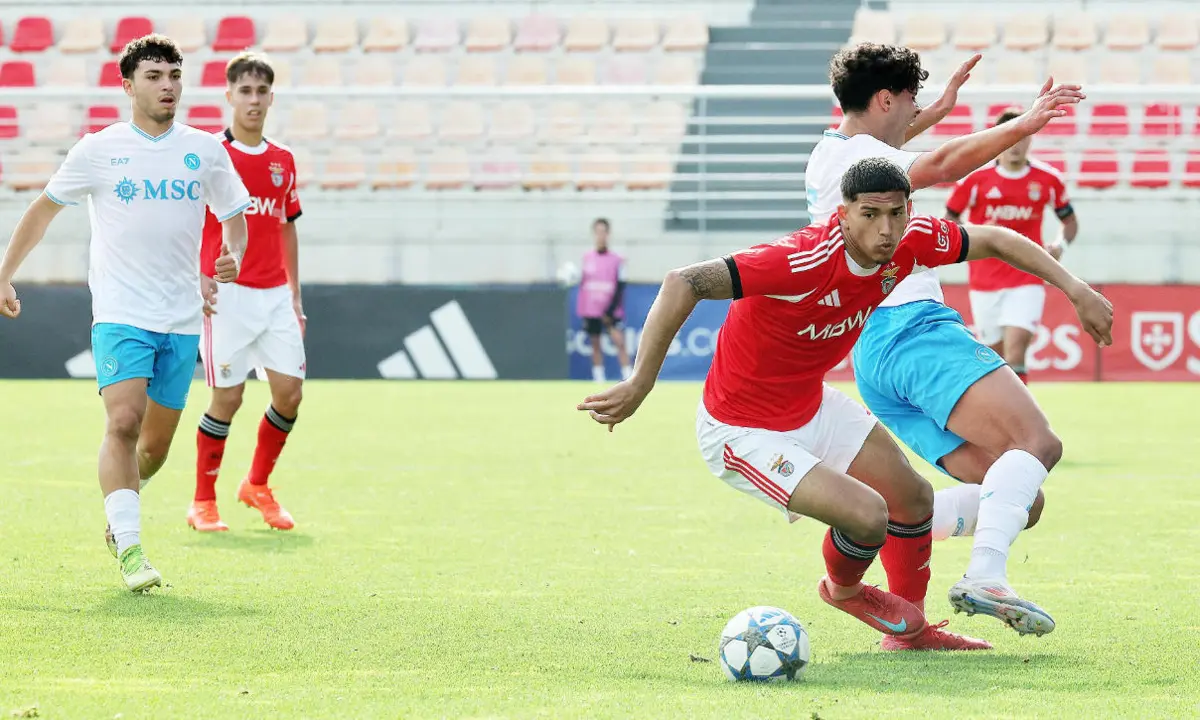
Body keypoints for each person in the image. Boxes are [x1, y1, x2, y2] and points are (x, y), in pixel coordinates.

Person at [579, 157, 1111, 650]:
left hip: (813, 407)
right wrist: (640, 382)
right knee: (868, 517)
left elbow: (994, 238)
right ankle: (843, 590)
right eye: (870, 214)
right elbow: (684, 281)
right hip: (743, 431)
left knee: (914, 501)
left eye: (896, 213)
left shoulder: (912, 239)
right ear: (843, 214)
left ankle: (910, 633)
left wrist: (1074, 287)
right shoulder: (798, 259)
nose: (885, 229)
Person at [805, 43, 1102, 635]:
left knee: (1017, 497)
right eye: (908, 104)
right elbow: (941, 165)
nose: (912, 118)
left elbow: (893, 137)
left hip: (871, 351)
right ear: (886, 99)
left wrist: (937, 108)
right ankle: (986, 575)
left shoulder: (831, 152)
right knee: (1037, 444)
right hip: (912, 327)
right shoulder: (869, 157)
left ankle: (865, 522)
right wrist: (1026, 122)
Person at [0, 35, 251, 592]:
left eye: (174, 75)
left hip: (184, 315)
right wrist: (3, 272)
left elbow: (234, 214)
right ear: (128, 85)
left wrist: (230, 253)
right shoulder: (99, 149)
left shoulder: (206, 149)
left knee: (154, 450)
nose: (168, 86)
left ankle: (118, 516)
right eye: (155, 76)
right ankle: (133, 552)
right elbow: (42, 213)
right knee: (122, 421)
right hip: (119, 310)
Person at [191, 52, 305, 533]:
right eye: (245, 91)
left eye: (261, 92)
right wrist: (197, 279)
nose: (254, 100)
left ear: (271, 97)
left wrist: (296, 298)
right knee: (228, 399)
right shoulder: (211, 155)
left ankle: (256, 484)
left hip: (276, 294)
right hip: (227, 297)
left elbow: (288, 227)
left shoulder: (283, 160)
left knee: (290, 395)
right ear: (229, 96)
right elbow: (188, 222)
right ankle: (202, 500)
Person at [946, 107, 1079, 383]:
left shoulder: (1047, 179)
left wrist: (1058, 247)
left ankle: (1022, 424)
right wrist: (970, 236)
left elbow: (1070, 223)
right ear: (1000, 140)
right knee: (995, 362)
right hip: (984, 281)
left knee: (1016, 355)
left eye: (1022, 137)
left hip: (1027, 278)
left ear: (1031, 138)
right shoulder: (975, 180)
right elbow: (949, 220)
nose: (1016, 145)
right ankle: (1002, 421)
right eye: (1010, 138)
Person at [576, 218, 631, 382]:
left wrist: (610, 309)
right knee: (595, 343)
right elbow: (584, 283)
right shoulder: (587, 258)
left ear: (608, 234)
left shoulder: (617, 260)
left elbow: (621, 285)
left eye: (603, 232)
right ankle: (598, 377)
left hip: (611, 309)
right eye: (598, 232)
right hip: (591, 309)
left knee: (619, 342)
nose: (601, 236)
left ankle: (628, 376)